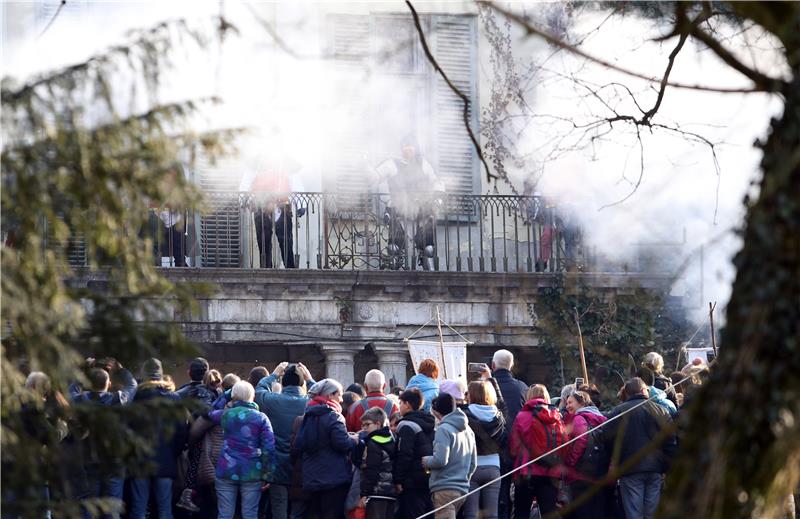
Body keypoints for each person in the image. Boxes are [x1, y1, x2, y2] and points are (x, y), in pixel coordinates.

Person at [71, 360, 137, 518]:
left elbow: (72, 389)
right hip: (114, 460)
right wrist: (121, 369)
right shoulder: (118, 400)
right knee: (112, 508)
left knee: (88, 506)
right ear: (108, 383)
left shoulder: (80, 400)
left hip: (89, 458)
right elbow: (132, 385)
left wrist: (83, 369)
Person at [604, 378, 678, 519]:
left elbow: (607, 438)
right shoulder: (661, 410)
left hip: (629, 468)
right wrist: (667, 468)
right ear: (644, 390)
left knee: (633, 513)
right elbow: (670, 441)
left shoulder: (618, 412)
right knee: (652, 512)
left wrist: (615, 461)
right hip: (655, 469)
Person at [375, 134, 445, 270]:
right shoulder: (392, 163)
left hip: (421, 208)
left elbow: (436, 181)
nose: (408, 149)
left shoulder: (423, 163)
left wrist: (438, 198)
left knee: (428, 247)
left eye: (411, 145)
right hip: (399, 207)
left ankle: (426, 261)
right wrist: (388, 201)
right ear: (401, 148)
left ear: (415, 148)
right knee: (394, 246)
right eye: (405, 146)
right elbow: (378, 179)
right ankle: (394, 263)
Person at [255, 362, 316, 519]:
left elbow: (259, 390)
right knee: (299, 510)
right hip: (301, 466)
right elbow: (322, 394)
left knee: (279, 507)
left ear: (282, 382)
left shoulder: (271, 400)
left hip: (277, 465)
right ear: (302, 383)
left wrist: (274, 374)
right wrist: (309, 378)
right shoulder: (310, 402)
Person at [207, 380, 277, 519]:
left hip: (226, 468)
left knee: (225, 514)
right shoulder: (261, 418)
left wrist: (227, 395)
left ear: (234, 396)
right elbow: (269, 448)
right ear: (253, 397)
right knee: (250, 514)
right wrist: (268, 474)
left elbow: (209, 411)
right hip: (251, 470)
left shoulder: (226, 414)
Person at [294, 379, 359, 519]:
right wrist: (354, 440)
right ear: (330, 395)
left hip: (312, 477)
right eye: (339, 395)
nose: (341, 400)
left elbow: (298, 446)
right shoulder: (334, 416)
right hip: (333, 478)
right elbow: (343, 444)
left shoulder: (307, 415)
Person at [129, 358, 186, 519]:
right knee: (165, 510)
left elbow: (128, 428)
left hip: (140, 460)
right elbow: (181, 432)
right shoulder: (174, 398)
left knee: (138, 509)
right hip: (165, 459)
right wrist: (172, 453)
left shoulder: (136, 397)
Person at [508, 384, 565, 519]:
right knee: (549, 512)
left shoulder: (522, 416)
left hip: (526, 471)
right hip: (551, 472)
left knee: (521, 512)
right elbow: (564, 443)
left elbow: (514, 447)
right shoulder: (556, 416)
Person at [422, 394, 477, 519]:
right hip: (462, 489)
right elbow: (473, 464)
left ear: (436, 411)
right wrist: (464, 479)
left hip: (444, 488)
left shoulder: (443, 429)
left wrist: (427, 461)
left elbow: (440, 460)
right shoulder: (468, 430)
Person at [488, 349, 527, 518]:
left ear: (493, 365)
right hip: (517, 448)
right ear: (511, 366)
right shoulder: (522, 388)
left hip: (490, 447)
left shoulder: (486, 387)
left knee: (493, 495)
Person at [462, 380, 508, 519]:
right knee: (492, 514)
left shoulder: (464, 414)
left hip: (471, 467)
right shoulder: (498, 416)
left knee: (470, 513)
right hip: (494, 466)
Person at [241, 167, 302, 269]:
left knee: (286, 241)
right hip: (261, 208)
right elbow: (245, 184)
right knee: (263, 242)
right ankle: (266, 267)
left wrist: (301, 204)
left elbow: (296, 183)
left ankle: (290, 268)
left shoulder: (286, 167)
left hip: (282, 207)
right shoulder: (254, 168)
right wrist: (243, 200)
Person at [563, 390, 609, 519]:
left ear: (581, 402)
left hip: (581, 474)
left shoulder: (579, 418)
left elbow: (581, 441)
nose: (567, 406)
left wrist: (570, 462)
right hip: (599, 473)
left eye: (570, 402)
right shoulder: (601, 418)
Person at [393, 388, 435, 519]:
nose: (399, 407)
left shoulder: (406, 425)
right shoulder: (429, 422)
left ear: (407, 404)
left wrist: (398, 480)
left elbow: (404, 454)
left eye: (400, 403)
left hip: (411, 480)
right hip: (428, 477)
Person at [358, 407, 398, 519]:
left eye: (367, 424)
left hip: (375, 493)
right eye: (363, 425)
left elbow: (372, 470)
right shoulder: (392, 440)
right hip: (389, 491)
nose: (364, 428)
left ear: (378, 424)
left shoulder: (372, 443)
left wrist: (364, 493)